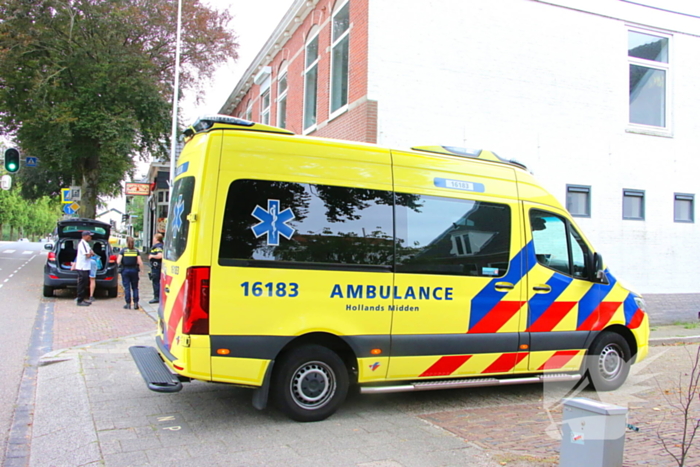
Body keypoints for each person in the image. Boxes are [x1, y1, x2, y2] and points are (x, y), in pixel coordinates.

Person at [117, 237, 143, 309]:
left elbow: (118, 261)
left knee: (127, 287)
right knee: (135, 287)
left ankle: (128, 304)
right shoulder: (136, 251)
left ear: (126, 242)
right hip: (134, 270)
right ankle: (135, 304)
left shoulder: (123, 251)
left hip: (125, 270)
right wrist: (142, 270)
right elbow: (139, 261)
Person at [75, 230, 94, 306]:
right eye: (89, 236)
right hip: (82, 267)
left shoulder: (86, 244)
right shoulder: (82, 244)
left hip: (86, 267)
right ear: (85, 236)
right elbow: (88, 255)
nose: (90, 237)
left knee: (84, 283)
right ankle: (80, 300)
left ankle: (82, 299)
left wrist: (91, 253)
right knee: (82, 284)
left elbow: (91, 252)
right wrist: (91, 254)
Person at [147, 233, 163, 304]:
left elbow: (160, 255)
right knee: (156, 282)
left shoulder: (158, 247)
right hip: (156, 266)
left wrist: (152, 256)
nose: (153, 239)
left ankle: (157, 297)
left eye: (154, 238)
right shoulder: (159, 246)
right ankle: (158, 296)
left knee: (156, 282)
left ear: (156, 239)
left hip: (157, 267)